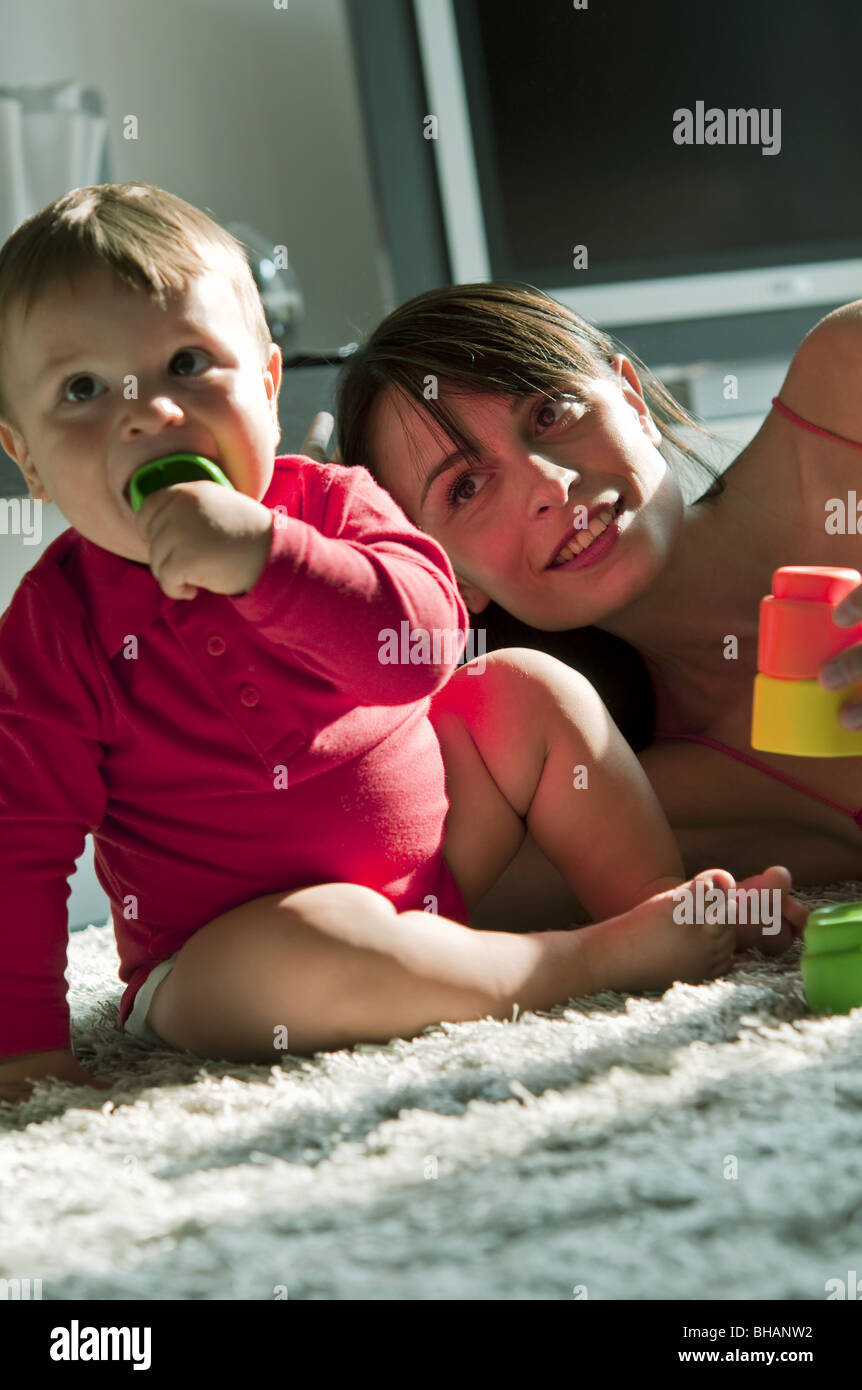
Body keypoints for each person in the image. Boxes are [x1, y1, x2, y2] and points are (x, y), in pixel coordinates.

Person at [0, 187, 801, 1106]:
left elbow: (420, 648)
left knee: (524, 686)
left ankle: (659, 905)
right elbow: (19, 844)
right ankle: (573, 964)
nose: (149, 415)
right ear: (26, 460)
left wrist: (267, 559)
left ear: (265, 383)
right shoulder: (52, 629)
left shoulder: (336, 506)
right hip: (228, 955)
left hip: (440, 864)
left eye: (187, 363)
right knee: (301, 945)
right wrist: (22, 1049)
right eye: (84, 390)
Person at [313, 281, 862, 898]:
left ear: (634, 401)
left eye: (549, 413)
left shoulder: (848, 375)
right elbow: (380, 916)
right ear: (447, 574)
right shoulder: (626, 802)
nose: (550, 485)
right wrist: (293, 582)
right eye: (465, 488)